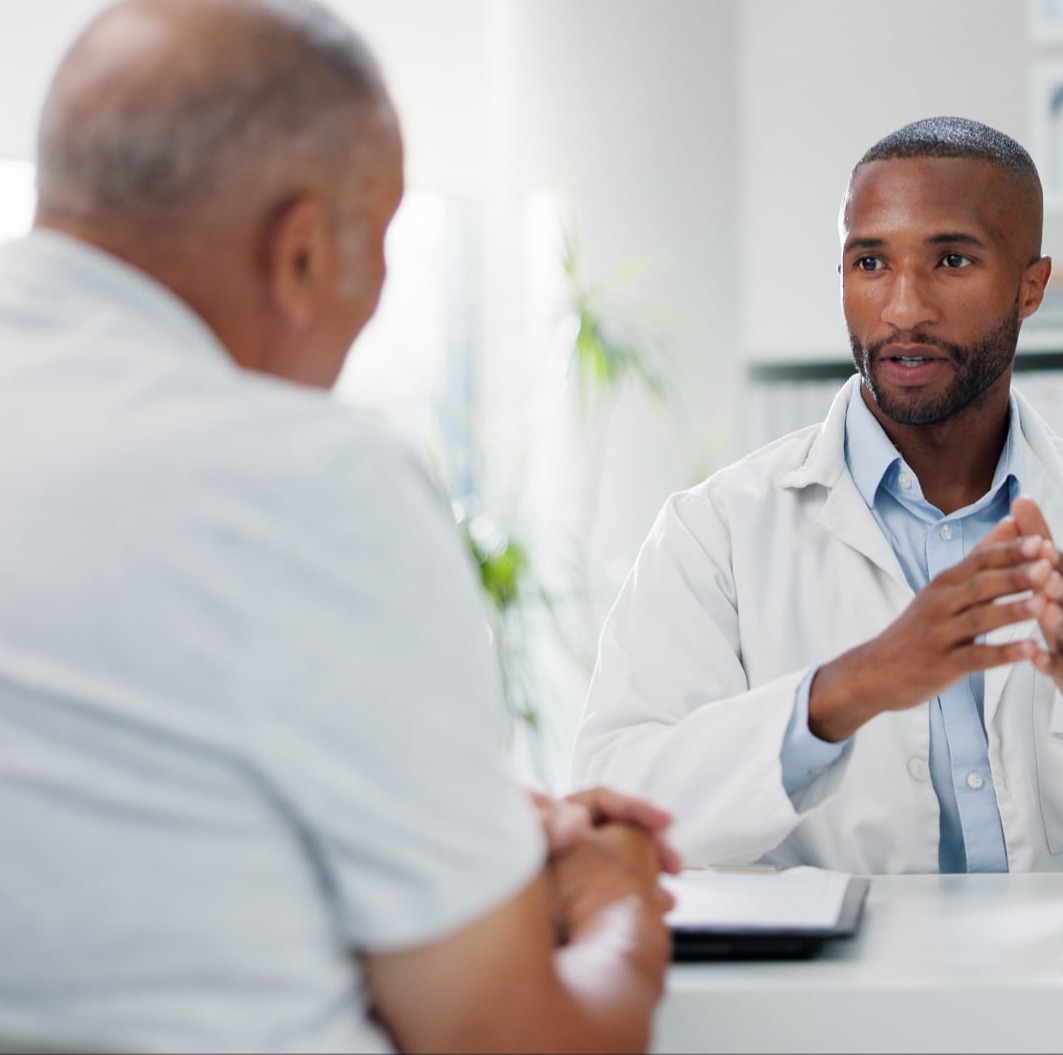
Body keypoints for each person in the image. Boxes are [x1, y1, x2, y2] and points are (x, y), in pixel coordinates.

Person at [0, 1, 677, 1051]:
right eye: (382, 239)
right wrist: (617, 900)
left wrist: (459, 821)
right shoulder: (302, 477)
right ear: (305, 251)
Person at [573, 116, 1063, 875]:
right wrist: (849, 687)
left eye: (951, 260)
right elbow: (615, 804)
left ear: (1031, 287)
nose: (904, 306)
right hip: (838, 1006)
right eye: (870, 262)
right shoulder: (716, 533)